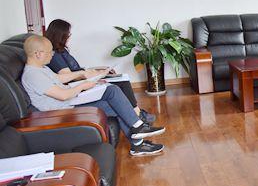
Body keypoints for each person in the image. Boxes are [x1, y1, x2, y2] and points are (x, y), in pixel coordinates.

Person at [21, 35, 166, 157]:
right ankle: (138, 129)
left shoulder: (41, 69)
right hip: (62, 111)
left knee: (113, 96)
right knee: (112, 91)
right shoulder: (33, 75)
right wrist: (83, 86)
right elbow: (63, 95)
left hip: (69, 103)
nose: (52, 55)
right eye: (49, 52)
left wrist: (83, 75)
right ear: (38, 54)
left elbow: (59, 79)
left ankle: (138, 142)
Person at [45, 19, 156, 124]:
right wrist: (95, 75)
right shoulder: (54, 55)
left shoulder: (62, 51)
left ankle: (136, 112)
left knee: (122, 78)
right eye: (68, 34)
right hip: (79, 85)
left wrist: (100, 69)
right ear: (61, 36)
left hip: (85, 79)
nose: (69, 37)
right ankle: (137, 114)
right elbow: (68, 76)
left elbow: (77, 70)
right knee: (122, 83)